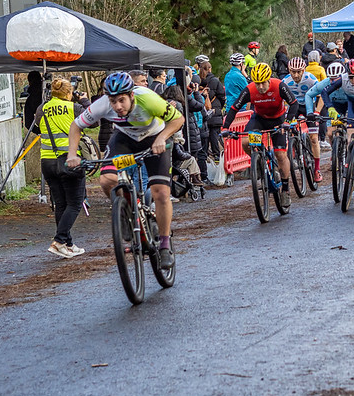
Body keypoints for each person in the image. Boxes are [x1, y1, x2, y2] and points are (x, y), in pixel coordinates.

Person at [67, 72, 184, 268]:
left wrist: (162, 138)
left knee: (161, 193)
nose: (117, 106)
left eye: (121, 100)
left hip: (153, 140)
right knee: (106, 180)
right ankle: (126, 212)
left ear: (131, 96)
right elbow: (76, 126)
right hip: (124, 141)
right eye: (113, 101)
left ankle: (164, 245)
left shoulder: (148, 99)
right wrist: (72, 154)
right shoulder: (102, 104)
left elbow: (178, 119)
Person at [222, 63, 298, 206]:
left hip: (278, 120)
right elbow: (234, 108)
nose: (261, 87)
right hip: (259, 120)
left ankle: (286, 189)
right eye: (258, 83)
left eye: (263, 83)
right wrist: (225, 128)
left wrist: (287, 122)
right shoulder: (250, 90)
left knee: (280, 154)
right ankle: (260, 160)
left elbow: (294, 103)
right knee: (245, 142)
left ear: (269, 79)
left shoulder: (279, 85)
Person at [36, 78, 89, 258]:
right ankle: (59, 241)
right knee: (74, 203)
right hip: (69, 159)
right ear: (68, 94)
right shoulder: (74, 108)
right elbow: (94, 120)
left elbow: (35, 126)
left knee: (60, 203)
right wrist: (84, 101)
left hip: (47, 161)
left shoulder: (42, 108)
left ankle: (67, 243)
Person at [198, 58, 226, 161]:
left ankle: (204, 157)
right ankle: (217, 156)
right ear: (210, 69)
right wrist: (220, 107)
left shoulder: (198, 80)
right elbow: (222, 96)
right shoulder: (215, 81)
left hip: (202, 112)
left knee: (205, 136)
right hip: (214, 110)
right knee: (214, 134)